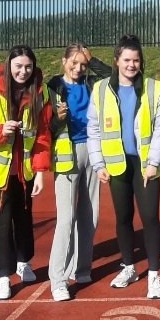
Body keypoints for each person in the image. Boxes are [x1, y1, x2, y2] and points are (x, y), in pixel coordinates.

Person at [87, 34, 160, 299]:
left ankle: (155, 275)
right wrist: (98, 163)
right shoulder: (101, 89)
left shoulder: (154, 88)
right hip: (116, 165)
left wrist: (154, 163)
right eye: (126, 60)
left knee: (149, 218)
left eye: (136, 60)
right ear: (116, 61)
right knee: (123, 219)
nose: (131, 65)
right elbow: (94, 128)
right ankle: (128, 266)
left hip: (145, 165)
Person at [0, 45, 52, 301]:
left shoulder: (42, 93)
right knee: (0, 225)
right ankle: (3, 276)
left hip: (23, 172)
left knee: (24, 219)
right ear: (9, 66)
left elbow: (43, 136)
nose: (23, 72)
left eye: (28, 67)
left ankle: (24, 262)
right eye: (18, 66)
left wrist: (39, 172)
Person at [46, 44, 111, 301]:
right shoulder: (52, 87)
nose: (78, 68)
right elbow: (46, 127)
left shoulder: (92, 82)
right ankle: (58, 278)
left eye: (83, 64)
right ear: (63, 61)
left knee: (90, 212)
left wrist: (91, 58)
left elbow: (111, 77)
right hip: (66, 152)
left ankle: (81, 268)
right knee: (66, 217)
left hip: (93, 149)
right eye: (73, 63)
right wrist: (59, 119)